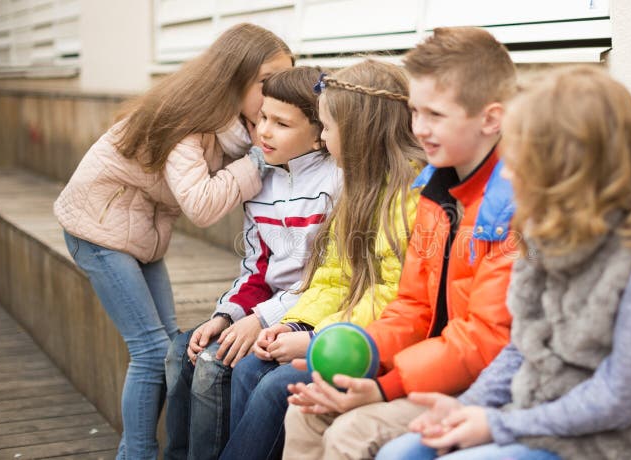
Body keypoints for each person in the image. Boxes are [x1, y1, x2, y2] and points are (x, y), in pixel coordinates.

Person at [378, 66, 631, 460]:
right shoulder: (544, 231)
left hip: (624, 439)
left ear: (570, 163)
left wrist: (497, 425)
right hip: (536, 413)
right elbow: (520, 347)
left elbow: (620, 396)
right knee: (401, 453)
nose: (506, 171)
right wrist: (467, 408)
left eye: (522, 156)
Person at [53, 23, 292, 459]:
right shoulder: (190, 120)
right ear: (234, 77)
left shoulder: (234, 125)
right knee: (149, 351)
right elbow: (201, 205)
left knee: (168, 351)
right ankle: (136, 454)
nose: (274, 92)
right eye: (266, 82)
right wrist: (257, 160)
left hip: (140, 231)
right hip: (97, 229)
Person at [282, 27, 519, 459]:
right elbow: (412, 306)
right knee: (304, 412)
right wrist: (359, 352)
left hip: (483, 385)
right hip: (427, 365)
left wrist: (383, 386)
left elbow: (486, 340)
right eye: (415, 112)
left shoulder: (510, 208)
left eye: (436, 116)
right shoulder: (436, 190)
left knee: (350, 434)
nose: (420, 129)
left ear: (490, 119)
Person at [219, 59, 425, 460]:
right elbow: (331, 277)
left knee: (279, 387)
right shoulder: (358, 187)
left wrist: (316, 340)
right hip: (342, 329)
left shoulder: (407, 198)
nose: (324, 140)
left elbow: (394, 295)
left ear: (360, 132)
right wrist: (297, 322)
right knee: (247, 368)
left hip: (375, 342)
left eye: (328, 128)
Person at [163, 66, 340, 460]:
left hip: (305, 311)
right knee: (182, 351)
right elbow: (257, 268)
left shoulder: (336, 183)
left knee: (214, 365)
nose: (264, 132)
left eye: (281, 123)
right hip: (265, 309)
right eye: (262, 118)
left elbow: (325, 280)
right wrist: (226, 316)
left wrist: (259, 319)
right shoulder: (260, 183)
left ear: (318, 134)